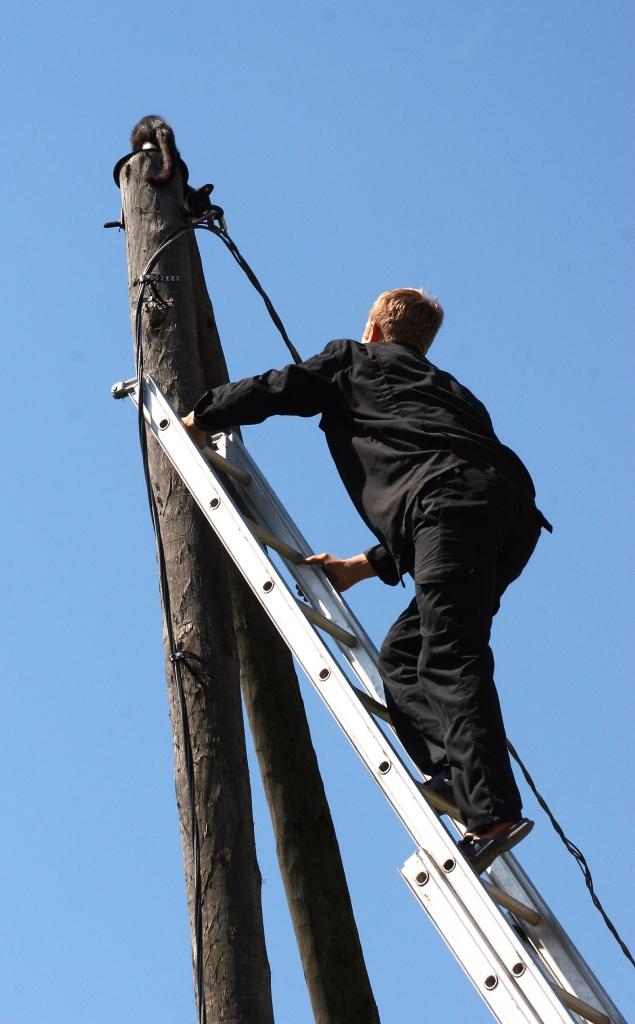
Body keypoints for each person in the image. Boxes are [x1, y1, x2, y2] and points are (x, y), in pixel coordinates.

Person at [183, 288, 551, 873]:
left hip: (450, 508)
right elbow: (450, 485)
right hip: (509, 516)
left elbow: (279, 388)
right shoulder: (450, 390)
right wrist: (365, 565)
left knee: (451, 655)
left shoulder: (352, 359)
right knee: (406, 655)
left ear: (373, 329)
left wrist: (201, 415)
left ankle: (492, 812)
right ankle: (456, 775)